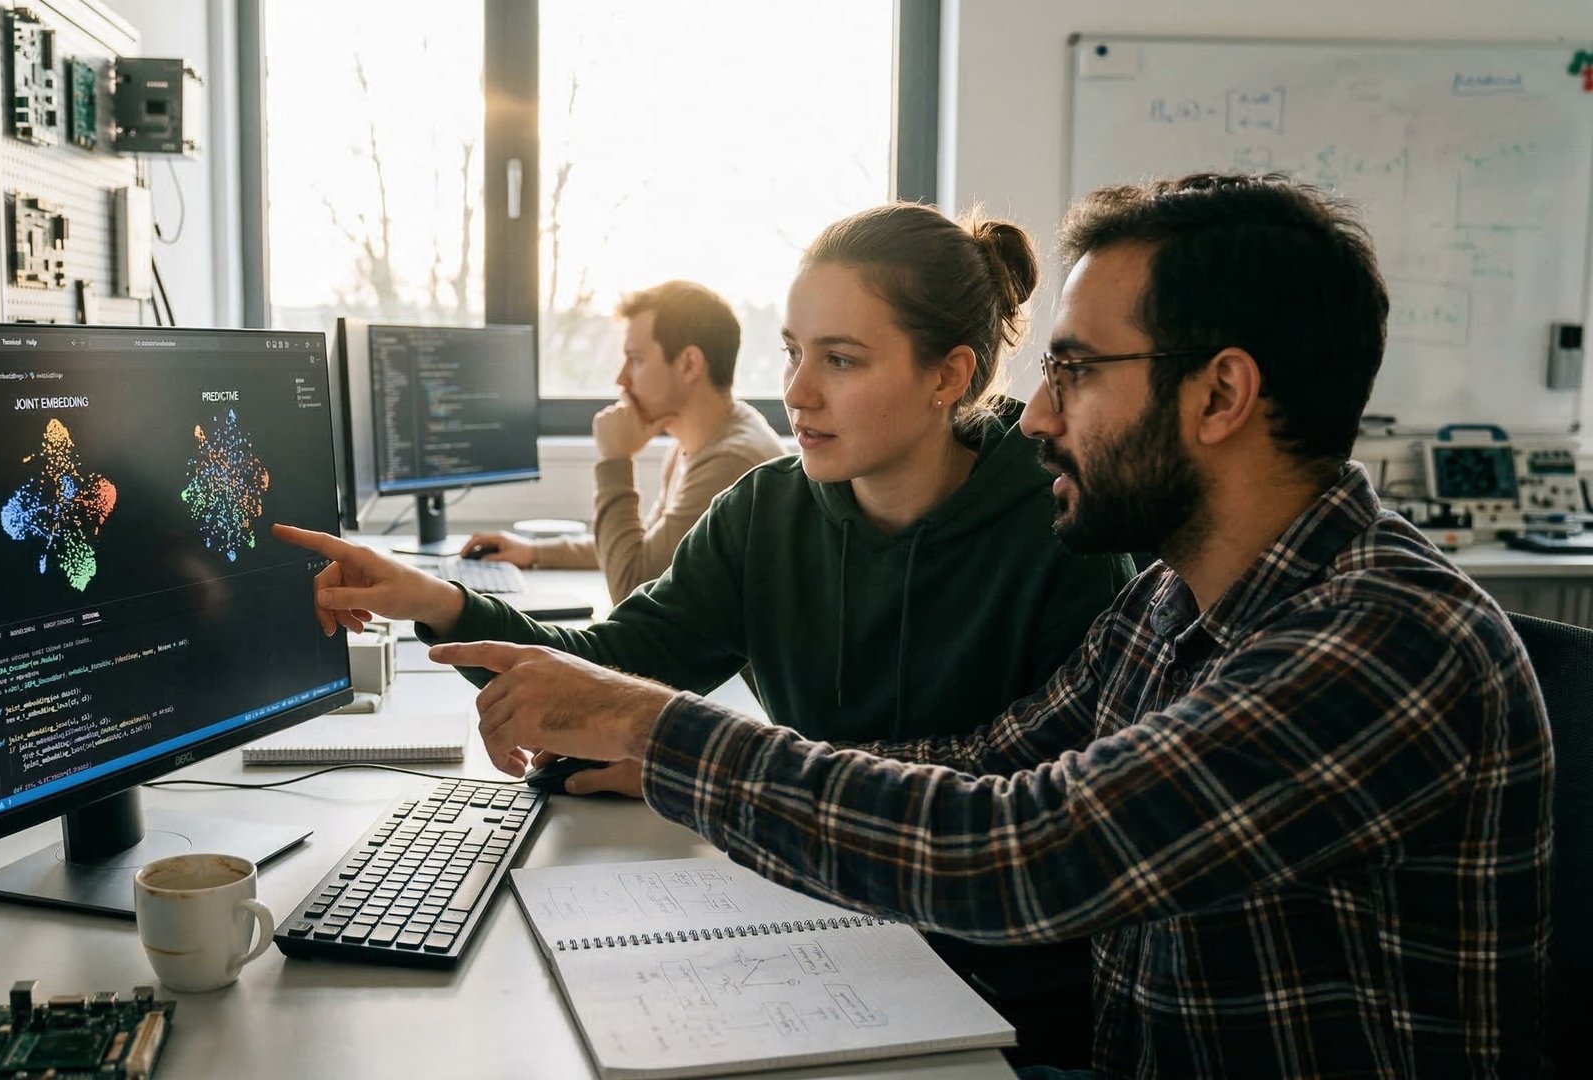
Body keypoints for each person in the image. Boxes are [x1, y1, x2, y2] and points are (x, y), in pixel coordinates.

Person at [425, 174, 1553, 1078]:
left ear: (1220, 396)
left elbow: (1025, 851)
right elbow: (982, 763)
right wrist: (678, 768)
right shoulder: (1175, 599)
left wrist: (662, 732)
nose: (1041, 414)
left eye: (1077, 371)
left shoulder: (1384, 639)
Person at [276, 203, 1135, 1066]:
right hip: (822, 923)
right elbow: (612, 667)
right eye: (793, 352)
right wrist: (435, 599)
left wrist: (689, 764)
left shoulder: (1064, 527)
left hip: (994, 980)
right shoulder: (766, 512)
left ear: (947, 374)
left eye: (840, 360)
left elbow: (1025, 811)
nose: (796, 392)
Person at [460, 281, 783, 605]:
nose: (621, 379)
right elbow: (645, 549)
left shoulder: (730, 462)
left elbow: (634, 589)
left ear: (689, 364)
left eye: (635, 359)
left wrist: (615, 459)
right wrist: (535, 552)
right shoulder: (700, 439)